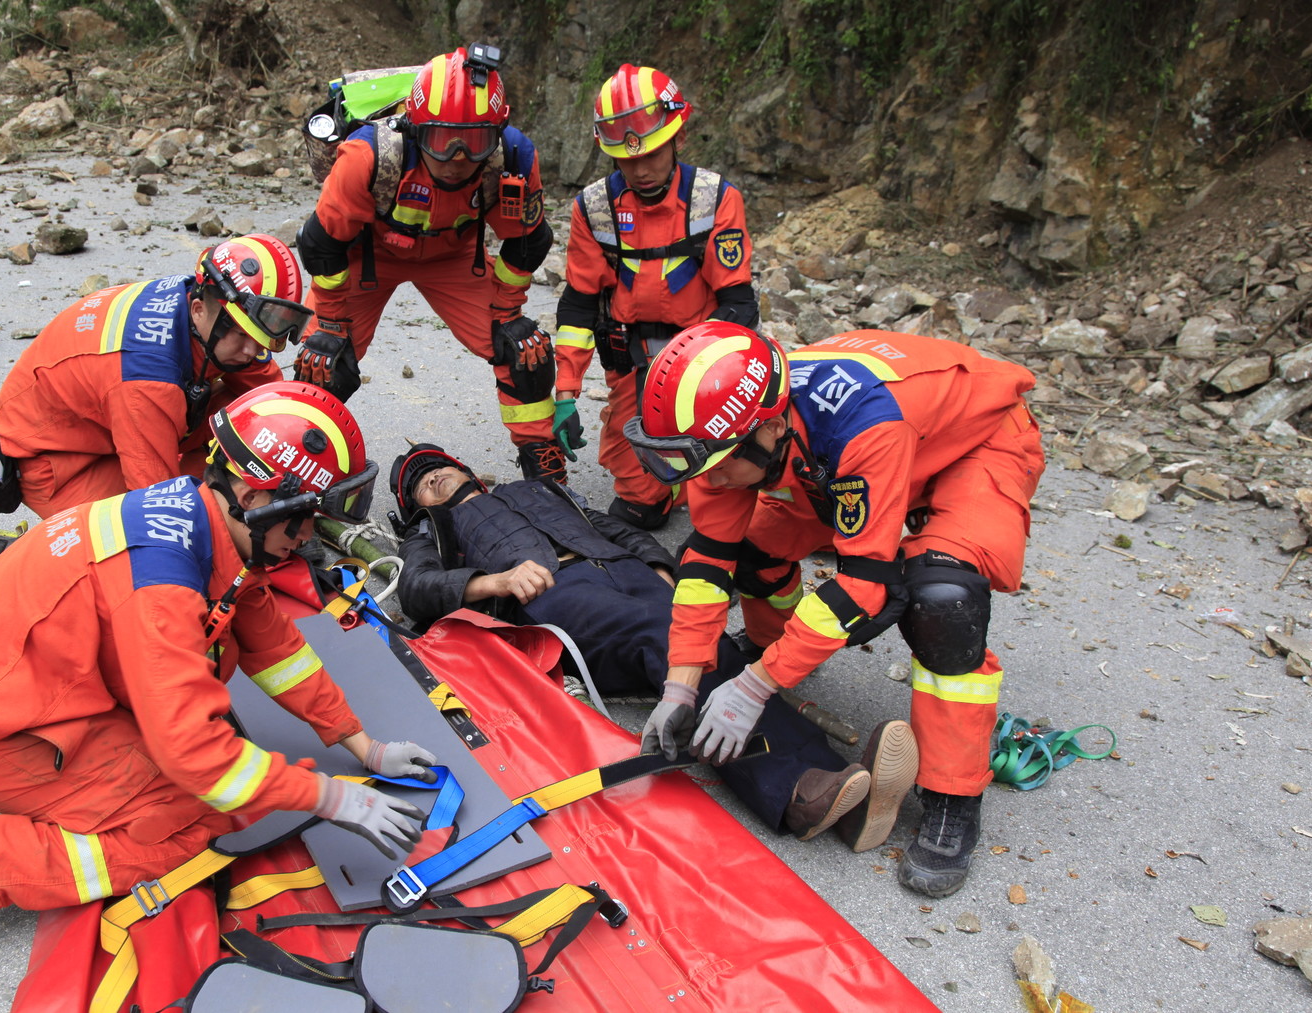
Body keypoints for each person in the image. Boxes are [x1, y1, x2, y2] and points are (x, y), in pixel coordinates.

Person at [0, 381, 440, 970]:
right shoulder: (162, 584)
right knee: (190, 824)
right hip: (2, 738)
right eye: (306, 519)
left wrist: (361, 744)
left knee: (221, 754)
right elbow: (196, 755)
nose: (311, 538)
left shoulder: (206, 522)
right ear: (256, 498)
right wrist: (333, 798)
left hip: (33, 693)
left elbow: (276, 648)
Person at [625, 323, 1044, 898]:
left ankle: (953, 796)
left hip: (972, 448)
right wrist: (681, 685)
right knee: (748, 555)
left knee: (943, 603)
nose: (710, 480)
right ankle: (779, 647)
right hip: (828, 460)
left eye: (718, 465)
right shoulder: (723, 438)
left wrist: (752, 689)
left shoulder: (858, 420)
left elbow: (863, 585)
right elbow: (707, 565)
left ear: (770, 428)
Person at [386, 442, 917, 847]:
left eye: (437, 467)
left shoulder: (536, 489)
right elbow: (417, 588)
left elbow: (609, 528)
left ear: (469, 470)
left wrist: (664, 571)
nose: (427, 476)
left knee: (703, 644)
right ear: (416, 507)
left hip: (630, 576)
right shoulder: (433, 528)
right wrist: (493, 584)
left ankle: (842, 800)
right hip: (556, 603)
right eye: (419, 484)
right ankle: (797, 791)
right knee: (662, 641)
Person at [0, 234, 309, 611]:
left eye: (262, 341)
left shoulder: (216, 310)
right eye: (244, 336)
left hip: (112, 428)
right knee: (128, 557)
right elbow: (162, 510)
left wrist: (295, 492)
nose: (253, 351)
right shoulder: (147, 378)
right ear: (198, 309)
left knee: (250, 421)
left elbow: (276, 408)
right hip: (57, 462)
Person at [292, 44, 566, 484]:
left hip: (453, 257)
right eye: (442, 140)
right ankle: (295, 466)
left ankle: (543, 461)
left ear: (496, 134)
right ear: (416, 129)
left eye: (474, 143)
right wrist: (329, 320)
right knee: (321, 363)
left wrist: (507, 310)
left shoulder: (512, 158)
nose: (457, 159)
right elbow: (322, 244)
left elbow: (527, 243)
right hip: (369, 257)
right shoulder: (368, 157)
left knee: (522, 351)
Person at [553, 64, 757, 530]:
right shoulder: (594, 207)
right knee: (640, 510)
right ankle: (672, 481)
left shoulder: (715, 199)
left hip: (706, 365)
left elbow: (739, 307)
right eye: (626, 160)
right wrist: (566, 391)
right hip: (635, 367)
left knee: (731, 489)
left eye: (652, 154)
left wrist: (710, 377)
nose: (640, 170)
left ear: (677, 138)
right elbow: (580, 305)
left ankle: (708, 465)